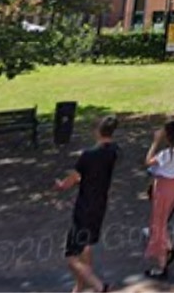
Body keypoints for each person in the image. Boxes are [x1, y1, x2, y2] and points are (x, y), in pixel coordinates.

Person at [55, 115, 119, 293]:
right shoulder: (113, 151)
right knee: (86, 245)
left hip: (84, 208)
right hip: (99, 206)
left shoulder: (88, 155)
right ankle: (80, 287)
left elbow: (72, 179)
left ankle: (100, 287)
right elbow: (92, 175)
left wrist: (62, 185)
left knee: (71, 257)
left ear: (98, 131)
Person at [143, 118, 174, 278]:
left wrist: (155, 142)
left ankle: (162, 265)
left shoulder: (165, 154)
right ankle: (168, 248)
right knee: (162, 222)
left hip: (163, 188)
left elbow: (148, 161)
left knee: (158, 224)